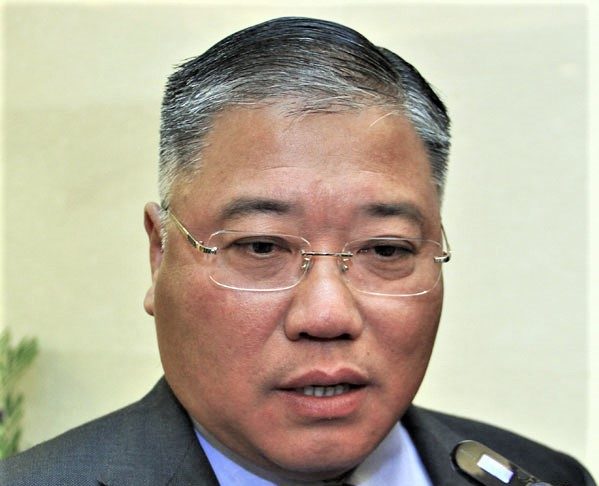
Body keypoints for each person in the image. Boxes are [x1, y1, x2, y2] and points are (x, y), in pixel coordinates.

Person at [0, 16, 594, 486]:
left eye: (386, 250)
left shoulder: (546, 474)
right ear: (160, 254)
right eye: (261, 246)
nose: (327, 315)